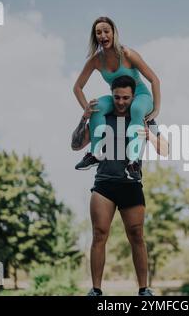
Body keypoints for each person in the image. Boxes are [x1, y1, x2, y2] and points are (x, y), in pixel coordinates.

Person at [71, 75, 168, 296]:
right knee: (99, 234)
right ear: (111, 95)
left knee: (136, 236)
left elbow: (165, 149)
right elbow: (76, 145)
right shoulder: (102, 116)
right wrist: (83, 118)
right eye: (117, 97)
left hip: (131, 184)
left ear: (134, 97)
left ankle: (144, 290)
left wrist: (149, 137)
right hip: (104, 184)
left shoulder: (144, 118)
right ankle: (96, 290)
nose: (121, 102)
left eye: (126, 98)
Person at [73, 16, 161, 181]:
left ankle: (133, 162)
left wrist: (156, 108)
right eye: (98, 32)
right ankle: (96, 154)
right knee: (96, 106)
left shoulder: (127, 54)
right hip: (118, 99)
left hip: (140, 97)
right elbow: (77, 87)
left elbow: (154, 80)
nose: (103, 35)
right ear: (95, 37)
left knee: (135, 109)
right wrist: (86, 108)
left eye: (106, 31)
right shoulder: (96, 60)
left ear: (114, 33)